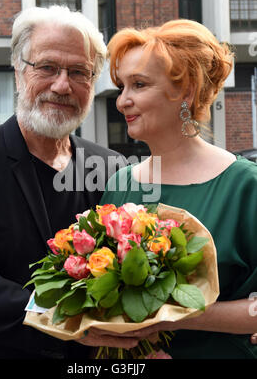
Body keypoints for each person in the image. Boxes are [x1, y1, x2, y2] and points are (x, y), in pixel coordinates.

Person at [78, 20, 257, 359]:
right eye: (122, 87)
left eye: (139, 85)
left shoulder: (245, 186)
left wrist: (165, 316)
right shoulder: (121, 183)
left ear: (186, 92)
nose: (122, 102)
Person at [0, 5, 127, 359]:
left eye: (79, 72)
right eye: (47, 67)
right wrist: (66, 319)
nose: (62, 85)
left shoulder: (110, 166)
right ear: (18, 71)